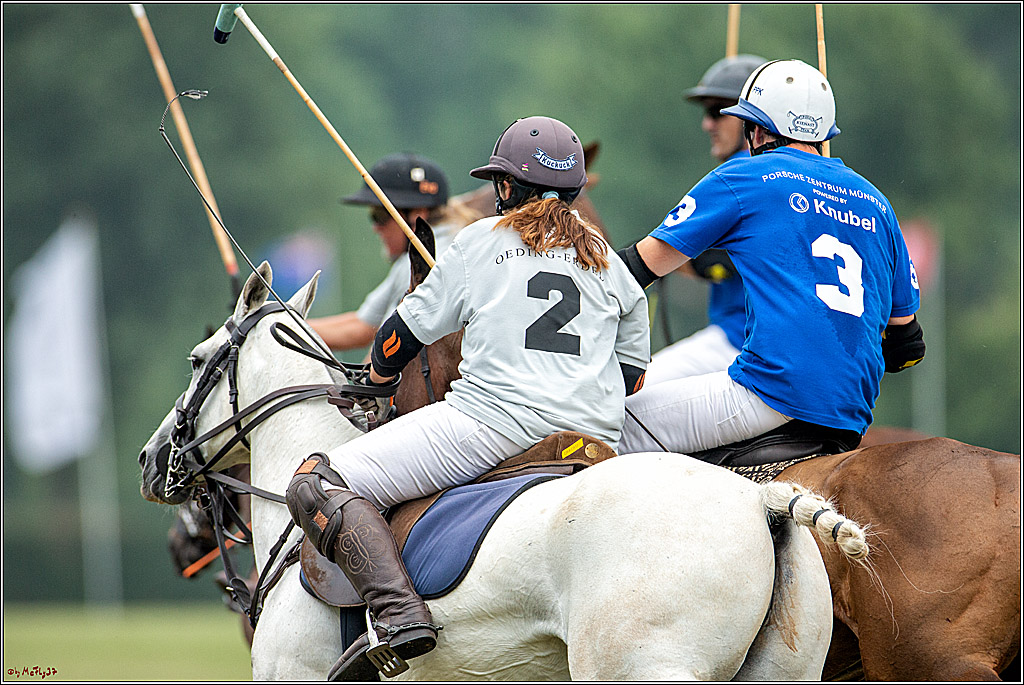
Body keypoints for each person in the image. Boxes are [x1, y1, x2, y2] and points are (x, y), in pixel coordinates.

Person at [285, 116, 650, 680]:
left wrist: (378, 378)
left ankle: (398, 613)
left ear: (506, 188)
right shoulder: (609, 259)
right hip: (594, 438)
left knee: (316, 481)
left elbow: (401, 333)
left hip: (489, 426)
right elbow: (630, 377)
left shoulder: (481, 240)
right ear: (576, 190)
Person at [616, 59, 924, 458]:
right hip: (851, 413)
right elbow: (906, 346)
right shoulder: (877, 202)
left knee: (609, 426)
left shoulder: (745, 175)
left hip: (768, 395)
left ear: (755, 129)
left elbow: (637, 268)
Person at [646, 54, 765, 383]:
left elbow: (716, 262)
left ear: (752, 120)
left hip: (740, 342)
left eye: (718, 112)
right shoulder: (790, 175)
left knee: (625, 396)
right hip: (792, 353)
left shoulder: (742, 172)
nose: (707, 124)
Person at [308, 153, 471, 351]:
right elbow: (362, 325)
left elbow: (383, 348)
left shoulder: (423, 261)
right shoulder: (450, 246)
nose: (375, 227)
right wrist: (279, 324)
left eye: (380, 216)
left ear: (417, 214)